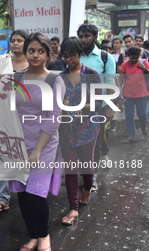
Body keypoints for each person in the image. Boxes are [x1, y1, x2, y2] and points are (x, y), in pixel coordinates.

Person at [9, 32, 65, 251]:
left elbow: (54, 119)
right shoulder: (15, 78)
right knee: (22, 193)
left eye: (40, 51)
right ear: (25, 52)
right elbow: (6, 110)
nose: (35, 55)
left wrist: (37, 150)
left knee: (36, 193)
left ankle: (44, 236)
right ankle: (32, 235)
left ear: (47, 54)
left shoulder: (54, 80)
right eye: (31, 50)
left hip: (44, 144)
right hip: (19, 144)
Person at [60, 36, 102, 226]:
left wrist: (77, 107)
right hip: (68, 130)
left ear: (79, 54)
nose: (68, 60)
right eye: (65, 56)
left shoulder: (92, 74)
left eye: (72, 56)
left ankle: (87, 187)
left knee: (87, 165)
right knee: (70, 168)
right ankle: (73, 208)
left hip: (88, 127)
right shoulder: (60, 78)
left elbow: (99, 102)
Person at [0, 29, 29, 215]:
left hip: (27, 117)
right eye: (13, 40)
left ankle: (30, 191)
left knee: (27, 152)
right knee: (5, 153)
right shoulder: (3, 63)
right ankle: (3, 197)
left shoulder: (33, 64)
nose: (15, 43)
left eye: (20, 40)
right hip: (5, 114)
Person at [77, 23, 116, 192]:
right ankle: (84, 175)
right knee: (78, 142)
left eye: (87, 36)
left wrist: (109, 107)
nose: (84, 39)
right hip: (77, 107)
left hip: (98, 108)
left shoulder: (105, 57)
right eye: (81, 36)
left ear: (95, 37)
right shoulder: (75, 55)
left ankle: (91, 178)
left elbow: (109, 83)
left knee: (96, 143)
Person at [119, 46, 149, 143]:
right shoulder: (124, 65)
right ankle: (132, 135)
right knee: (129, 115)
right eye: (132, 58)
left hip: (142, 93)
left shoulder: (143, 63)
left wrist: (144, 68)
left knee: (142, 114)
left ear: (139, 56)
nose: (134, 60)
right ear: (128, 57)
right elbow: (120, 80)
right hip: (128, 94)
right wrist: (118, 94)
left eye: (136, 58)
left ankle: (144, 128)